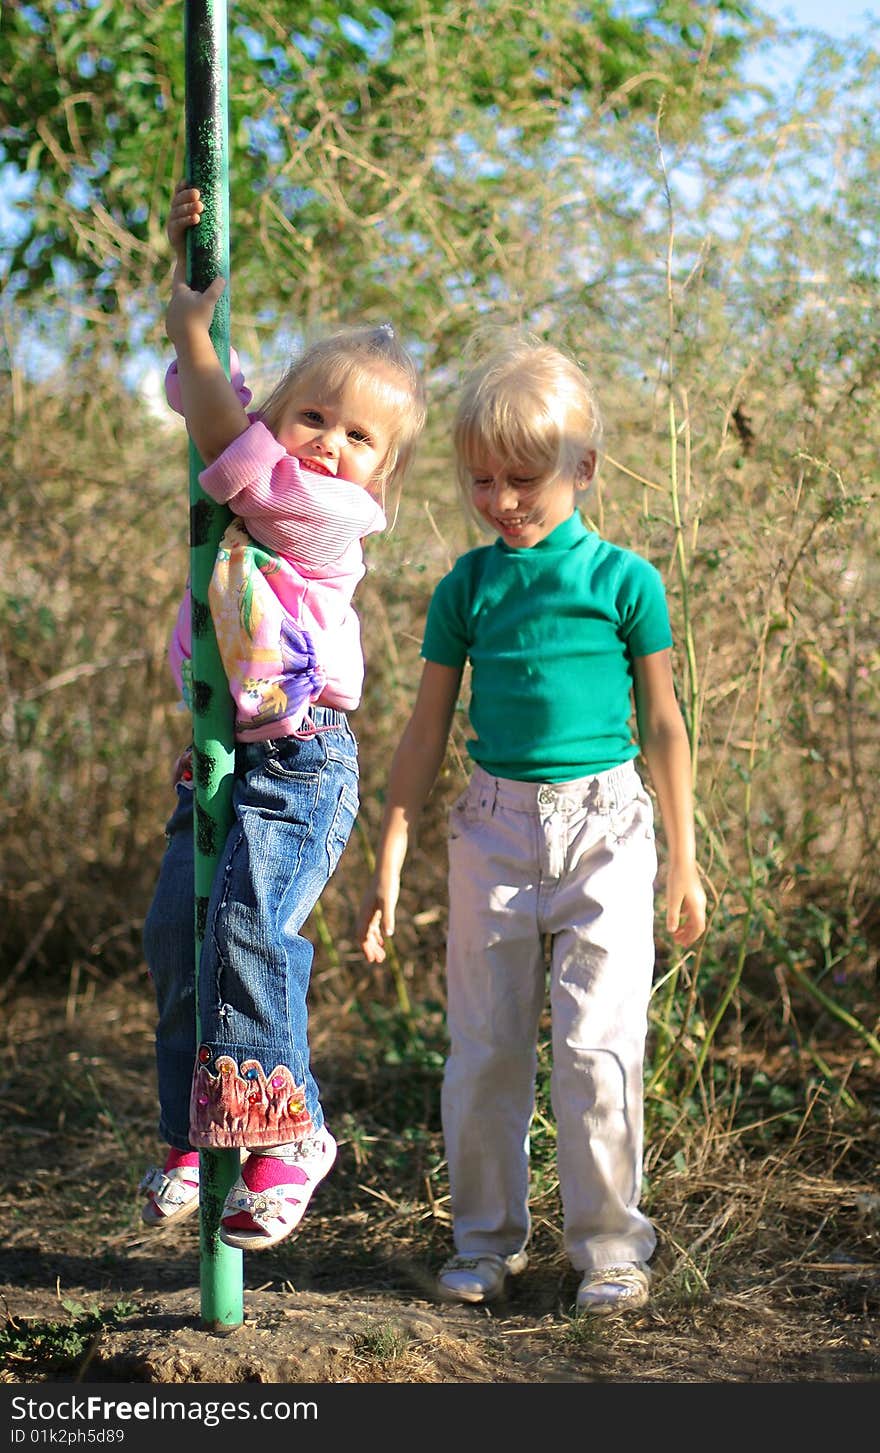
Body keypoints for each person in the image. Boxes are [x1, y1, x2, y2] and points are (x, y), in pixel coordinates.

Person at [358, 332, 706, 1315]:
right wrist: (388, 860)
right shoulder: (466, 589)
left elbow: (665, 725)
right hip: (494, 829)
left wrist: (684, 861)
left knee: (598, 1048)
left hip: (607, 827)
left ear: (582, 468)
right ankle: (484, 1240)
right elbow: (424, 734)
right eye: (481, 480)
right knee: (486, 1047)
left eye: (524, 479)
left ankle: (608, 1247)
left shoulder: (625, 582)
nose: (502, 501)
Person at [139, 182, 426, 1251]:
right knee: (177, 938)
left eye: (359, 436)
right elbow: (201, 399)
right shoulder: (257, 450)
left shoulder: (328, 514)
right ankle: (186, 1132)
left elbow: (218, 416)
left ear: (379, 474)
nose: (329, 445)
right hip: (220, 753)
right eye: (312, 417)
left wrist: (193, 331)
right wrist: (188, 292)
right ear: (277, 416)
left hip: (302, 763)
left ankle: (286, 1131)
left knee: (249, 929)